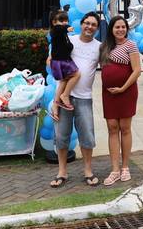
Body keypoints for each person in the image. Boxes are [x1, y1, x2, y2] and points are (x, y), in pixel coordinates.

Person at [49, 12, 101, 188]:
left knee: (87, 137)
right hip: (64, 98)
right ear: (81, 24)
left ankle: (88, 171)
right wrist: (56, 102)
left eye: (93, 24)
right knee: (61, 137)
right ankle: (62, 172)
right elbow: (53, 58)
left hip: (84, 98)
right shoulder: (69, 40)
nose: (89, 27)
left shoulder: (99, 47)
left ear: (97, 28)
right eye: (87, 23)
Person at [99, 16, 142, 186]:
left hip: (126, 91)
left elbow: (137, 70)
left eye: (123, 27)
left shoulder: (131, 45)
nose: (120, 30)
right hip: (109, 94)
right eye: (117, 27)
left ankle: (125, 167)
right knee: (112, 128)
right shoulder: (104, 47)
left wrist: (123, 88)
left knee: (125, 128)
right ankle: (115, 170)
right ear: (111, 29)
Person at [48, 10, 80, 111]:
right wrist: (67, 28)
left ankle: (56, 103)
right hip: (61, 61)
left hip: (62, 60)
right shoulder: (55, 31)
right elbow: (60, 28)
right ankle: (65, 95)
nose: (65, 22)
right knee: (76, 75)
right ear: (54, 22)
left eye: (66, 20)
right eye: (62, 20)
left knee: (63, 81)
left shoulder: (62, 34)